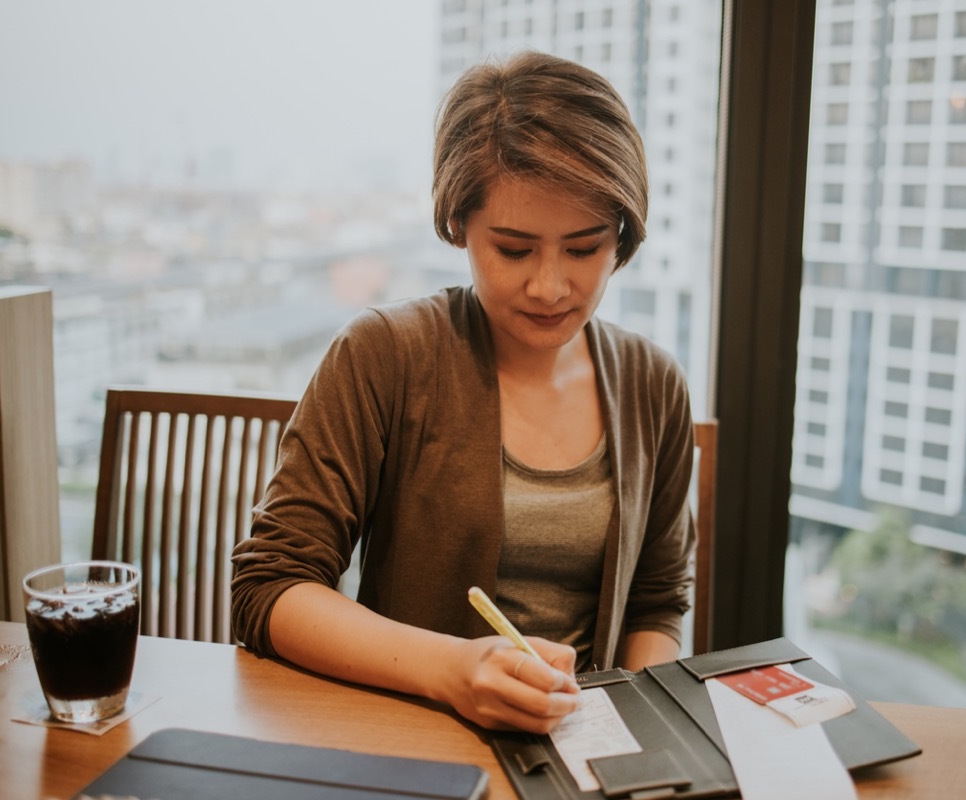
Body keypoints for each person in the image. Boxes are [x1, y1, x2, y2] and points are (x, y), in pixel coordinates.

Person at [231, 51, 696, 735]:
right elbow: (268, 588)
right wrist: (452, 670)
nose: (549, 285)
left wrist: (639, 738)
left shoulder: (652, 383)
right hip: (415, 735)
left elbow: (658, 602)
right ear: (458, 227)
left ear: (622, 235)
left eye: (584, 248)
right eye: (512, 249)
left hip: (578, 750)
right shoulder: (386, 355)